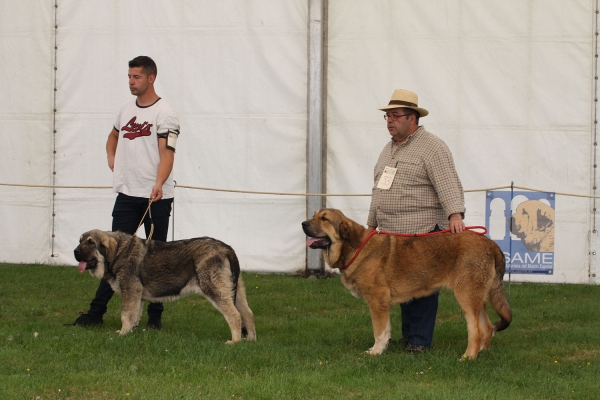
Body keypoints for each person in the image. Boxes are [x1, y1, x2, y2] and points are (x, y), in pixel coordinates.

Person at [71, 55, 180, 330]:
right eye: (129, 77)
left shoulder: (165, 113)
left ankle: (155, 320)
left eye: (137, 77)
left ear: (151, 78)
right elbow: (113, 136)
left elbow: (168, 154)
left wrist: (159, 182)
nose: (131, 82)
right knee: (111, 257)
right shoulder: (124, 109)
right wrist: (112, 157)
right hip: (127, 195)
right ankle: (96, 314)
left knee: (156, 260)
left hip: (156, 198)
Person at [367, 89, 465, 353]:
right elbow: (380, 188)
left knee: (423, 285)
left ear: (412, 119)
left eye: (396, 116)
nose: (390, 120)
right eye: (387, 116)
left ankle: (420, 341)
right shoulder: (388, 150)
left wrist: (455, 214)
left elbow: (447, 183)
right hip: (392, 234)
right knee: (401, 284)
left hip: (423, 231)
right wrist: (372, 223)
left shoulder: (432, 146)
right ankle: (409, 335)